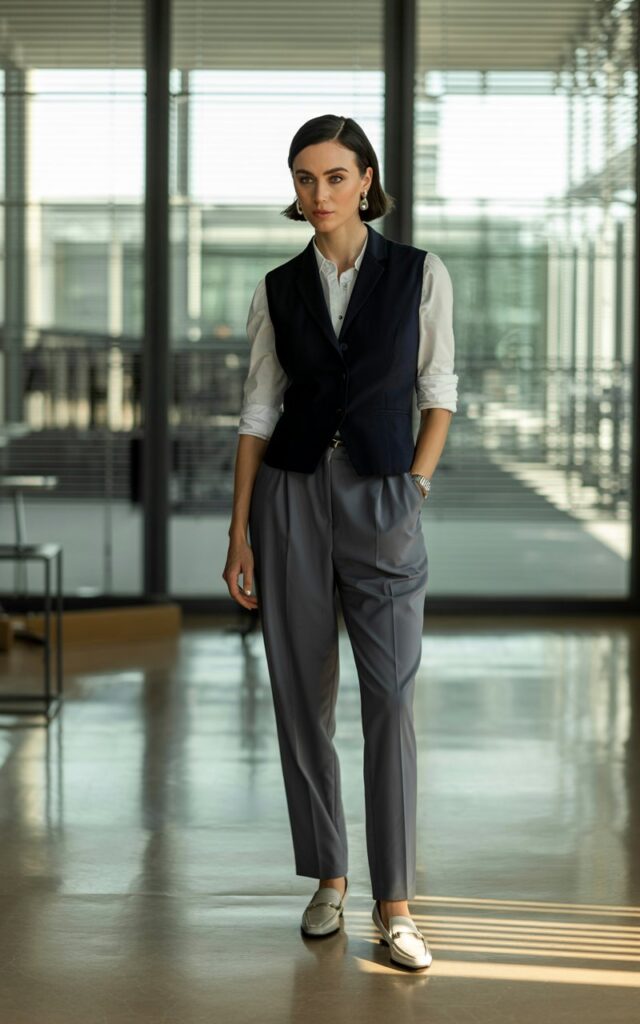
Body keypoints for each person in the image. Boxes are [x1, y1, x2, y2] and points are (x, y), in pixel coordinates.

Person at [223, 114, 458, 971]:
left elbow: (438, 389)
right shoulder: (278, 287)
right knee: (301, 696)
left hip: (383, 495)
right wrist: (240, 529)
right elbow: (258, 411)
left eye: (333, 176)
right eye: (303, 178)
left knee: (389, 696)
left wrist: (415, 485)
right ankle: (329, 876)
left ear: (366, 180)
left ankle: (396, 903)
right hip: (288, 497)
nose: (317, 193)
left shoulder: (420, 273)